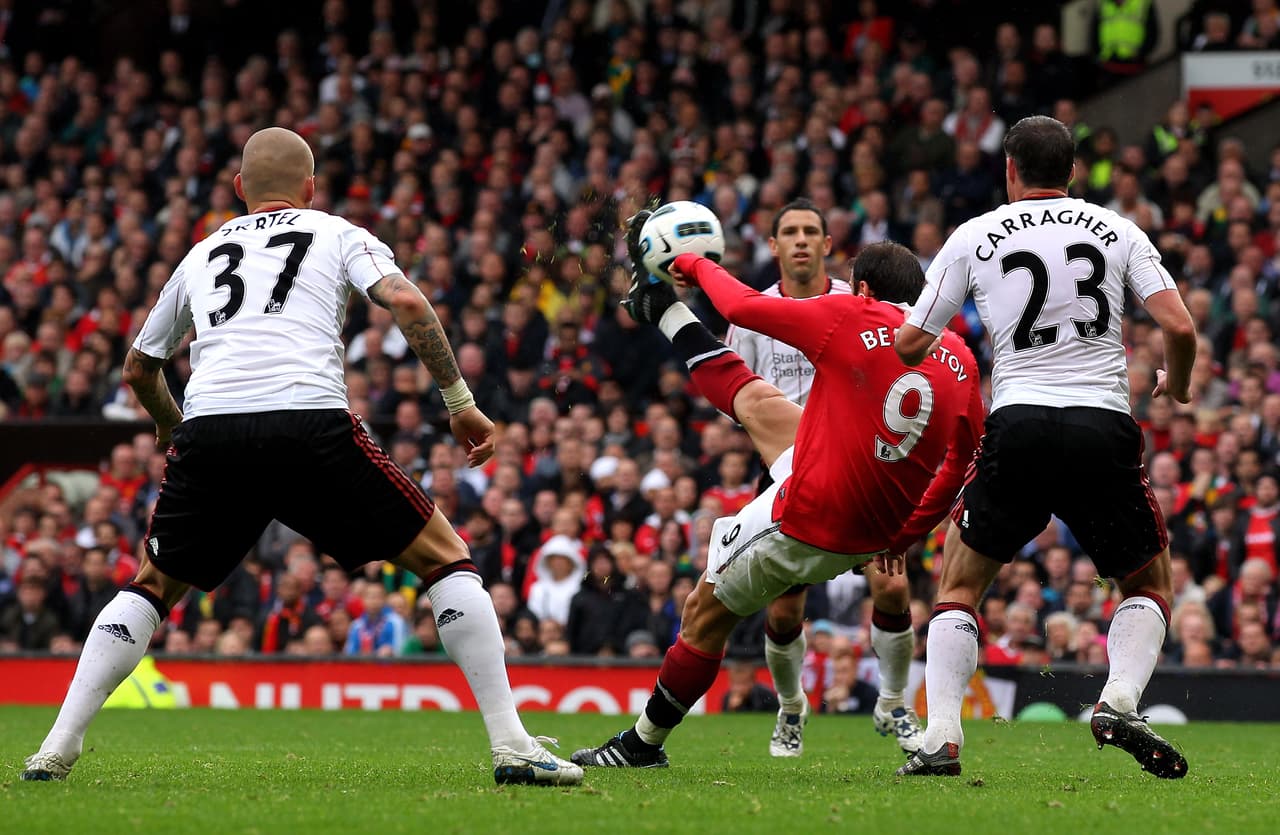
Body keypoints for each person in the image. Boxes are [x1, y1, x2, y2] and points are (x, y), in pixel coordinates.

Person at [20, 127, 582, 788]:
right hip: (308, 419)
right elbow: (403, 298)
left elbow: (140, 367)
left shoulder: (202, 253)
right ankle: (511, 743)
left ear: (238, 189)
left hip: (213, 430)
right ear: (310, 187)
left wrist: (174, 428)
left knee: (152, 581)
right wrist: (459, 400)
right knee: (444, 557)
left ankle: (56, 746)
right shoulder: (336, 230)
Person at [570, 222, 984, 769]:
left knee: (703, 613)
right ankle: (666, 312)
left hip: (811, 516)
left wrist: (691, 264)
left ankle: (642, 743)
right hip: (877, 521)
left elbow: (739, 306)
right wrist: (906, 533)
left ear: (860, 290)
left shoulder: (852, 315)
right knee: (760, 402)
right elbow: (962, 464)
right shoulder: (959, 355)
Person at [894, 115, 1197, 779]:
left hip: (1020, 421)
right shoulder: (1118, 230)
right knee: (1148, 580)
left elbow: (911, 343)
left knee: (961, 584)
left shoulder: (974, 237)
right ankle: (1118, 699)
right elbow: (1178, 323)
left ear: (1009, 168)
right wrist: (1175, 385)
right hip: (1101, 422)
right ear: (1073, 172)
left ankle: (942, 733)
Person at [726, 198, 923, 758]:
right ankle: (791, 709)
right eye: (789, 231)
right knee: (785, 607)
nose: (802, 240)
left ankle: (892, 702)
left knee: (892, 584)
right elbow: (739, 396)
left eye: (812, 230)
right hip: (794, 471)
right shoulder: (753, 314)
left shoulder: (853, 302)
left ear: (828, 244)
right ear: (773, 246)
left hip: (861, 467)